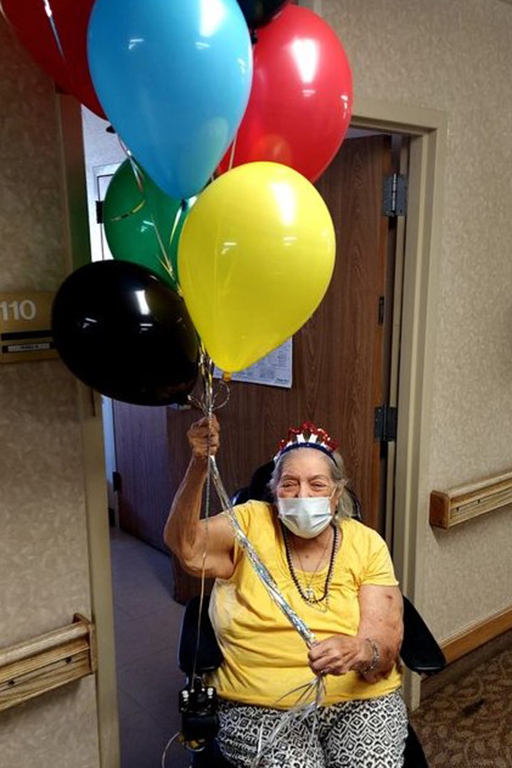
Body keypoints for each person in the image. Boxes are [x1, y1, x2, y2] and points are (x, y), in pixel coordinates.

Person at [164, 417, 407, 768]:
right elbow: (183, 545)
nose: (302, 495)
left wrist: (359, 650)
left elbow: (383, 648)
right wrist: (199, 466)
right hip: (259, 704)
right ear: (274, 493)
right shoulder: (249, 523)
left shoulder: (366, 543)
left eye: (317, 484)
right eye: (289, 484)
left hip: (359, 699)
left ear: (336, 495)